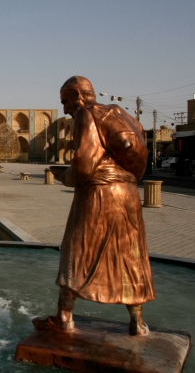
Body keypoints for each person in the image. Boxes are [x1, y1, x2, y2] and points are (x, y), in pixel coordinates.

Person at [35, 76, 155, 336]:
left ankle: (64, 317)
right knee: (130, 254)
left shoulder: (86, 114)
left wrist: (63, 175)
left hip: (98, 195)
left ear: (79, 95)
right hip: (128, 194)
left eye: (66, 101)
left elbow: (84, 166)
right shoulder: (121, 114)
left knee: (76, 249)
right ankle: (138, 321)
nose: (65, 109)